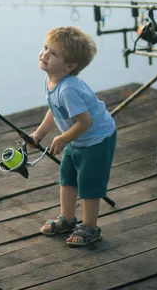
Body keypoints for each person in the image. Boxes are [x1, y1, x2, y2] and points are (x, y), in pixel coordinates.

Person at [29, 26, 116, 247]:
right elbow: (55, 110)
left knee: (88, 182)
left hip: (96, 139)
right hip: (78, 137)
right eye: (46, 48)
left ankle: (90, 227)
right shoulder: (52, 81)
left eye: (53, 53)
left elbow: (85, 122)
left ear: (70, 66)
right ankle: (68, 218)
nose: (45, 54)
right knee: (67, 176)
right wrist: (40, 133)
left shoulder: (68, 90)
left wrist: (64, 138)